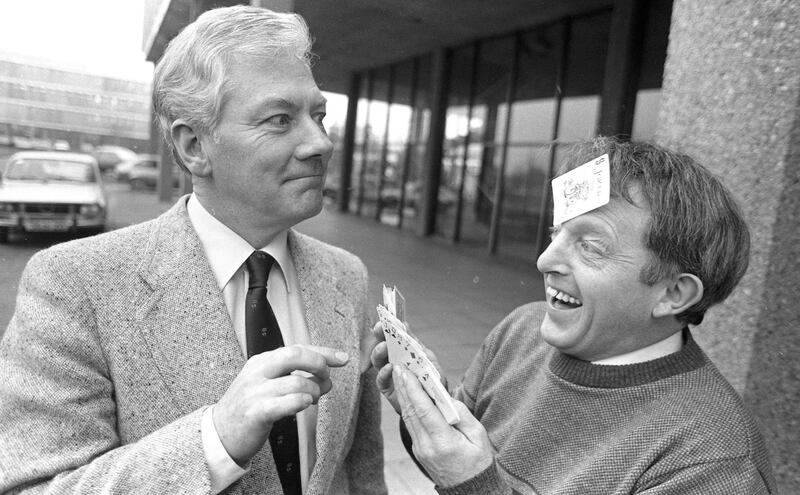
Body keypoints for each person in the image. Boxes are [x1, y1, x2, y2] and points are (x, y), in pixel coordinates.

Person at [0, 6, 386, 494]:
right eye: (280, 119)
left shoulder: (346, 275)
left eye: (319, 116)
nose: (320, 144)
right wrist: (215, 442)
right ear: (194, 147)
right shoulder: (74, 285)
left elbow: (360, 473)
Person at [371, 137, 776, 494]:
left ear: (673, 293)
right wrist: (425, 414)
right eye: (556, 232)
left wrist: (474, 484)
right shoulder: (521, 331)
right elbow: (453, 467)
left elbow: (466, 478)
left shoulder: (714, 461)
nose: (545, 260)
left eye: (590, 247)